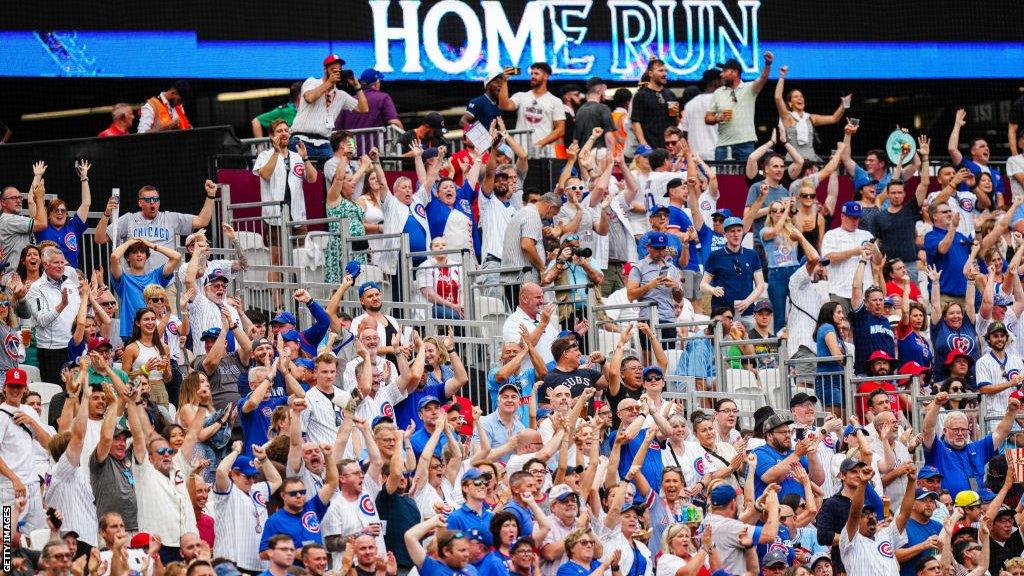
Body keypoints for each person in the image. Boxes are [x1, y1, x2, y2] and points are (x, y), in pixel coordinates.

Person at [95, 181, 217, 273]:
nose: (152, 202)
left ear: (159, 202)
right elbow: (99, 239)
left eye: (155, 199)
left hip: (166, 281)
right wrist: (107, 214)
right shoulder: (129, 219)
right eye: (148, 199)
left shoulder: (170, 218)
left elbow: (202, 221)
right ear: (140, 203)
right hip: (137, 281)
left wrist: (211, 196)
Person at [921, 391, 1017, 495]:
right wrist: (937, 404)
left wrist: (1011, 412)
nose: (960, 433)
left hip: (976, 507)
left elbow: (1001, 432)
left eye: (963, 430)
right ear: (945, 431)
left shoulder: (976, 448)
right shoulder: (937, 450)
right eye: (955, 430)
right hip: (949, 507)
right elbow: (927, 430)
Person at [839, 449, 917, 576]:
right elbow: (854, 514)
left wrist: (912, 482)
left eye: (873, 514)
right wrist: (863, 483)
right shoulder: (850, 540)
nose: (871, 517)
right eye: (865, 515)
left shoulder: (886, 535)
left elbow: (904, 514)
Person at [289, 54, 369, 160]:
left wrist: (357, 86)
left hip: (324, 142)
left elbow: (364, 109)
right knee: (299, 175)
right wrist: (329, 82)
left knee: (330, 175)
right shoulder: (312, 82)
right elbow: (309, 98)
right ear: (325, 69)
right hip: (301, 138)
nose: (336, 73)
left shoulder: (341, 95)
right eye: (333, 70)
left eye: (339, 70)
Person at [27, 246, 81, 385]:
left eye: (62, 263)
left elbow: (78, 314)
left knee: (77, 392)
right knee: (57, 393)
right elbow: (42, 320)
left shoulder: (70, 283)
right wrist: (62, 305)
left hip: (74, 347)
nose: (60, 266)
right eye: (56, 263)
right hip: (52, 350)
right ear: (45, 264)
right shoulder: (36, 288)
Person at [773, 65, 849, 162]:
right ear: (790, 103)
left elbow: (834, 118)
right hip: (793, 162)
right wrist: (782, 77)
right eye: (796, 97)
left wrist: (843, 105)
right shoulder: (787, 117)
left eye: (801, 96)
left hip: (811, 161)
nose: (800, 98)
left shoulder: (811, 118)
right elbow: (778, 98)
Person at [253, 119, 316, 236]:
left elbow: (312, 179)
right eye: (279, 131)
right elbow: (265, 175)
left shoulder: (298, 156)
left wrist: (305, 158)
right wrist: (276, 152)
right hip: (274, 216)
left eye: (286, 130)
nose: (284, 133)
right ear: (272, 136)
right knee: (278, 254)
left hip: (297, 216)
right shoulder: (264, 155)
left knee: (300, 253)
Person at [705, 54, 773, 161]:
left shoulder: (749, 88)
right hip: (723, 145)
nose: (721, 75)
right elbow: (708, 118)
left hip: (745, 144)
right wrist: (718, 118)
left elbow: (763, 78)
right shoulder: (718, 92)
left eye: (724, 71)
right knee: (723, 178)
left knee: (746, 177)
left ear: (735, 72)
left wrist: (768, 64)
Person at [109, 238, 180, 341]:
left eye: (142, 252)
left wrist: (151, 245)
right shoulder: (123, 280)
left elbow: (176, 257)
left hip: (156, 332)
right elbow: (114, 257)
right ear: (128, 257)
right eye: (134, 252)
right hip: (132, 334)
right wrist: (130, 241)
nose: (139, 254)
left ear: (146, 256)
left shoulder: (156, 276)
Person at [701, 216, 765, 320]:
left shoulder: (752, 255)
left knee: (749, 335)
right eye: (732, 231)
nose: (736, 234)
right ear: (724, 234)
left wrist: (747, 302)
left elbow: (760, 285)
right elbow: (703, 285)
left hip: (747, 312)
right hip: (722, 313)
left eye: (739, 230)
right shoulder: (715, 255)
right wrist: (713, 290)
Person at [499, 62, 566, 158]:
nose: (533, 76)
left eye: (536, 73)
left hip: (544, 153)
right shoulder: (521, 96)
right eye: (531, 74)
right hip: (520, 152)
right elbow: (504, 105)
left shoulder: (555, 101)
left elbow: (560, 129)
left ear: (546, 76)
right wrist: (504, 81)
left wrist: (540, 143)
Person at [821, 202, 875, 310]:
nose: (855, 221)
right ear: (842, 216)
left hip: (864, 293)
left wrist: (875, 251)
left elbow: (878, 262)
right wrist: (854, 252)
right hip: (840, 291)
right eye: (851, 217)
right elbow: (827, 259)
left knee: (863, 326)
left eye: (857, 218)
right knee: (840, 325)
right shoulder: (832, 235)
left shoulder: (866, 235)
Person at [949, 108, 1005, 198]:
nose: (986, 149)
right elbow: (952, 149)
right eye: (982, 146)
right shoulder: (966, 165)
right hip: (969, 210)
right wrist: (957, 125)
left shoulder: (996, 173)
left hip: (991, 211)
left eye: (987, 146)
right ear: (973, 151)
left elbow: (999, 198)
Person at [0, 172, 47, 272]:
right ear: (3, 202)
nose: (19, 200)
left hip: (21, 277)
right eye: (13, 198)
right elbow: (42, 223)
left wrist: (37, 177)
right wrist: (39, 197)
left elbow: (31, 201)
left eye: (20, 197)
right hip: (13, 279)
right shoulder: (9, 219)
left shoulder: (14, 218)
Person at [335, 69, 403, 135]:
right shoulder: (383, 98)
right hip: (376, 146)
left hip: (351, 146)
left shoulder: (348, 100)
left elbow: (337, 129)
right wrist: (403, 139)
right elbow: (394, 122)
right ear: (376, 83)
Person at [631, 59, 678, 151]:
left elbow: (675, 124)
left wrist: (676, 115)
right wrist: (643, 144)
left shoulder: (670, 94)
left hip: (668, 147)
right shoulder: (641, 95)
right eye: (660, 71)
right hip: (650, 147)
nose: (664, 74)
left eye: (665, 71)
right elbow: (636, 122)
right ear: (651, 74)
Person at [682, 69, 722, 159]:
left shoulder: (690, 104)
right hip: (716, 155)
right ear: (716, 83)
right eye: (722, 82)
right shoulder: (721, 102)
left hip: (695, 156)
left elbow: (684, 131)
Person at [572, 78, 616, 149]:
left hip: (584, 155)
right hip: (599, 153)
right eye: (604, 91)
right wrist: (611, 154)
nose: (604, 94)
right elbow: (608, 137)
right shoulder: (604, 108)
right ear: (599, 92)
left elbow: (576, 139)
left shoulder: (580, 110)